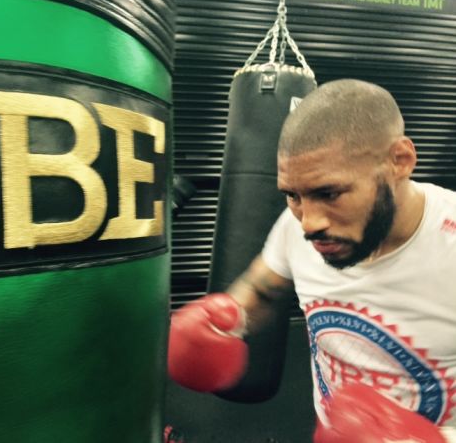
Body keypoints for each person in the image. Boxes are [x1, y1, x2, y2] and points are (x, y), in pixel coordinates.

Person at [168, 79, 456, 442]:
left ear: (399, 161)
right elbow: (263, 292)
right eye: (293, 195)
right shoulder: (297, 225)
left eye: (330, 193)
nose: (309, 223)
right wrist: (227, 320)